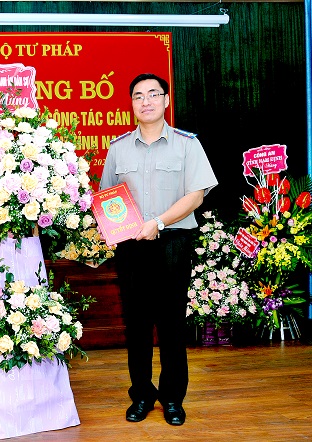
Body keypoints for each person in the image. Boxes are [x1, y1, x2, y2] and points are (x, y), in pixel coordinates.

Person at [100, 73, 217, 426]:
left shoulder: (187, 144)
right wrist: (110, 227)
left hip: (173, 243)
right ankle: (141, 395)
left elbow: (196, 195)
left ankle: (172, 398)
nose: (146, 101)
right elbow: (107, 197)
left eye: (153, 94)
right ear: (132, 104)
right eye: (138, 96)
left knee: (171, 324)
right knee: (136, 325)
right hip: (132, 246)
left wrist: (159, 222)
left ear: (166, 100)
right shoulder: (118, 147)